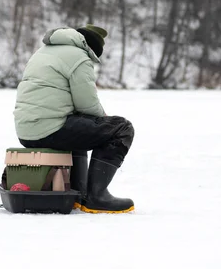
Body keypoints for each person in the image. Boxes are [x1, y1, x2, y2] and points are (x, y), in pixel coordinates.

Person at [13, 24, 135, 213]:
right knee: (121, 129)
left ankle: (78, 193)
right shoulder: (79, 57)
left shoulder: (43, 51)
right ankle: (97, 196)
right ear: (91, 48)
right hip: (50, 129)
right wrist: (105, 120)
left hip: (26, 131)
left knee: (78, 123)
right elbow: (87, 103)